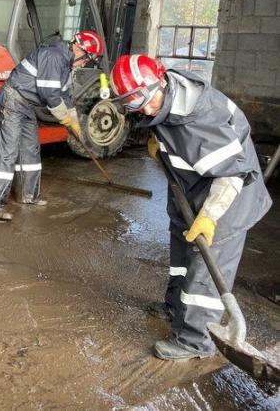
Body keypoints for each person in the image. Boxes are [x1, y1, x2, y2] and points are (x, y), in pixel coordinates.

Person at [109, 54, 272, 360]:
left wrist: (209, 217)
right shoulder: (165, 91)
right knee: (181, 250)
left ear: (160, 84)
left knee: (205, 263)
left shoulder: (200, 119)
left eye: (145, 102)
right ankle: (175, 308)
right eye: (132, 106)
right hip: (192, 184)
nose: (143, 110)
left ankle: (196, 341)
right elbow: (158, 114)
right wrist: (163, 145)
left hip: (229, 195)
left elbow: (233, 175)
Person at [0, 31, 104, 221]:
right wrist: (65, 119)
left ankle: (28, 195)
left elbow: (64, 95)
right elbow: (49, 94)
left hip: (27, 105)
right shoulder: (54, 56)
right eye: (87, 58)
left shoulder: (66, 65)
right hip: (12, 101)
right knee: (8, 154)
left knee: (31, 150)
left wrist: (75, 122)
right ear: (78, 48)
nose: (85, 63)